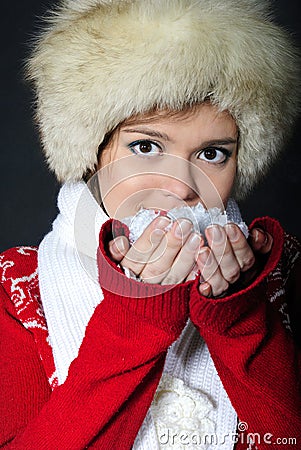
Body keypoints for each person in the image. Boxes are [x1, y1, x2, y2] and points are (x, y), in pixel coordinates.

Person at [0, 0, 300, 449]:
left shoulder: (282, 274)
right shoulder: (18, 292)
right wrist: (136, 316)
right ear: (93, 153)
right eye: (145, 147)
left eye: (213, 153)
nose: (181, 188)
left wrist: (239, 319)